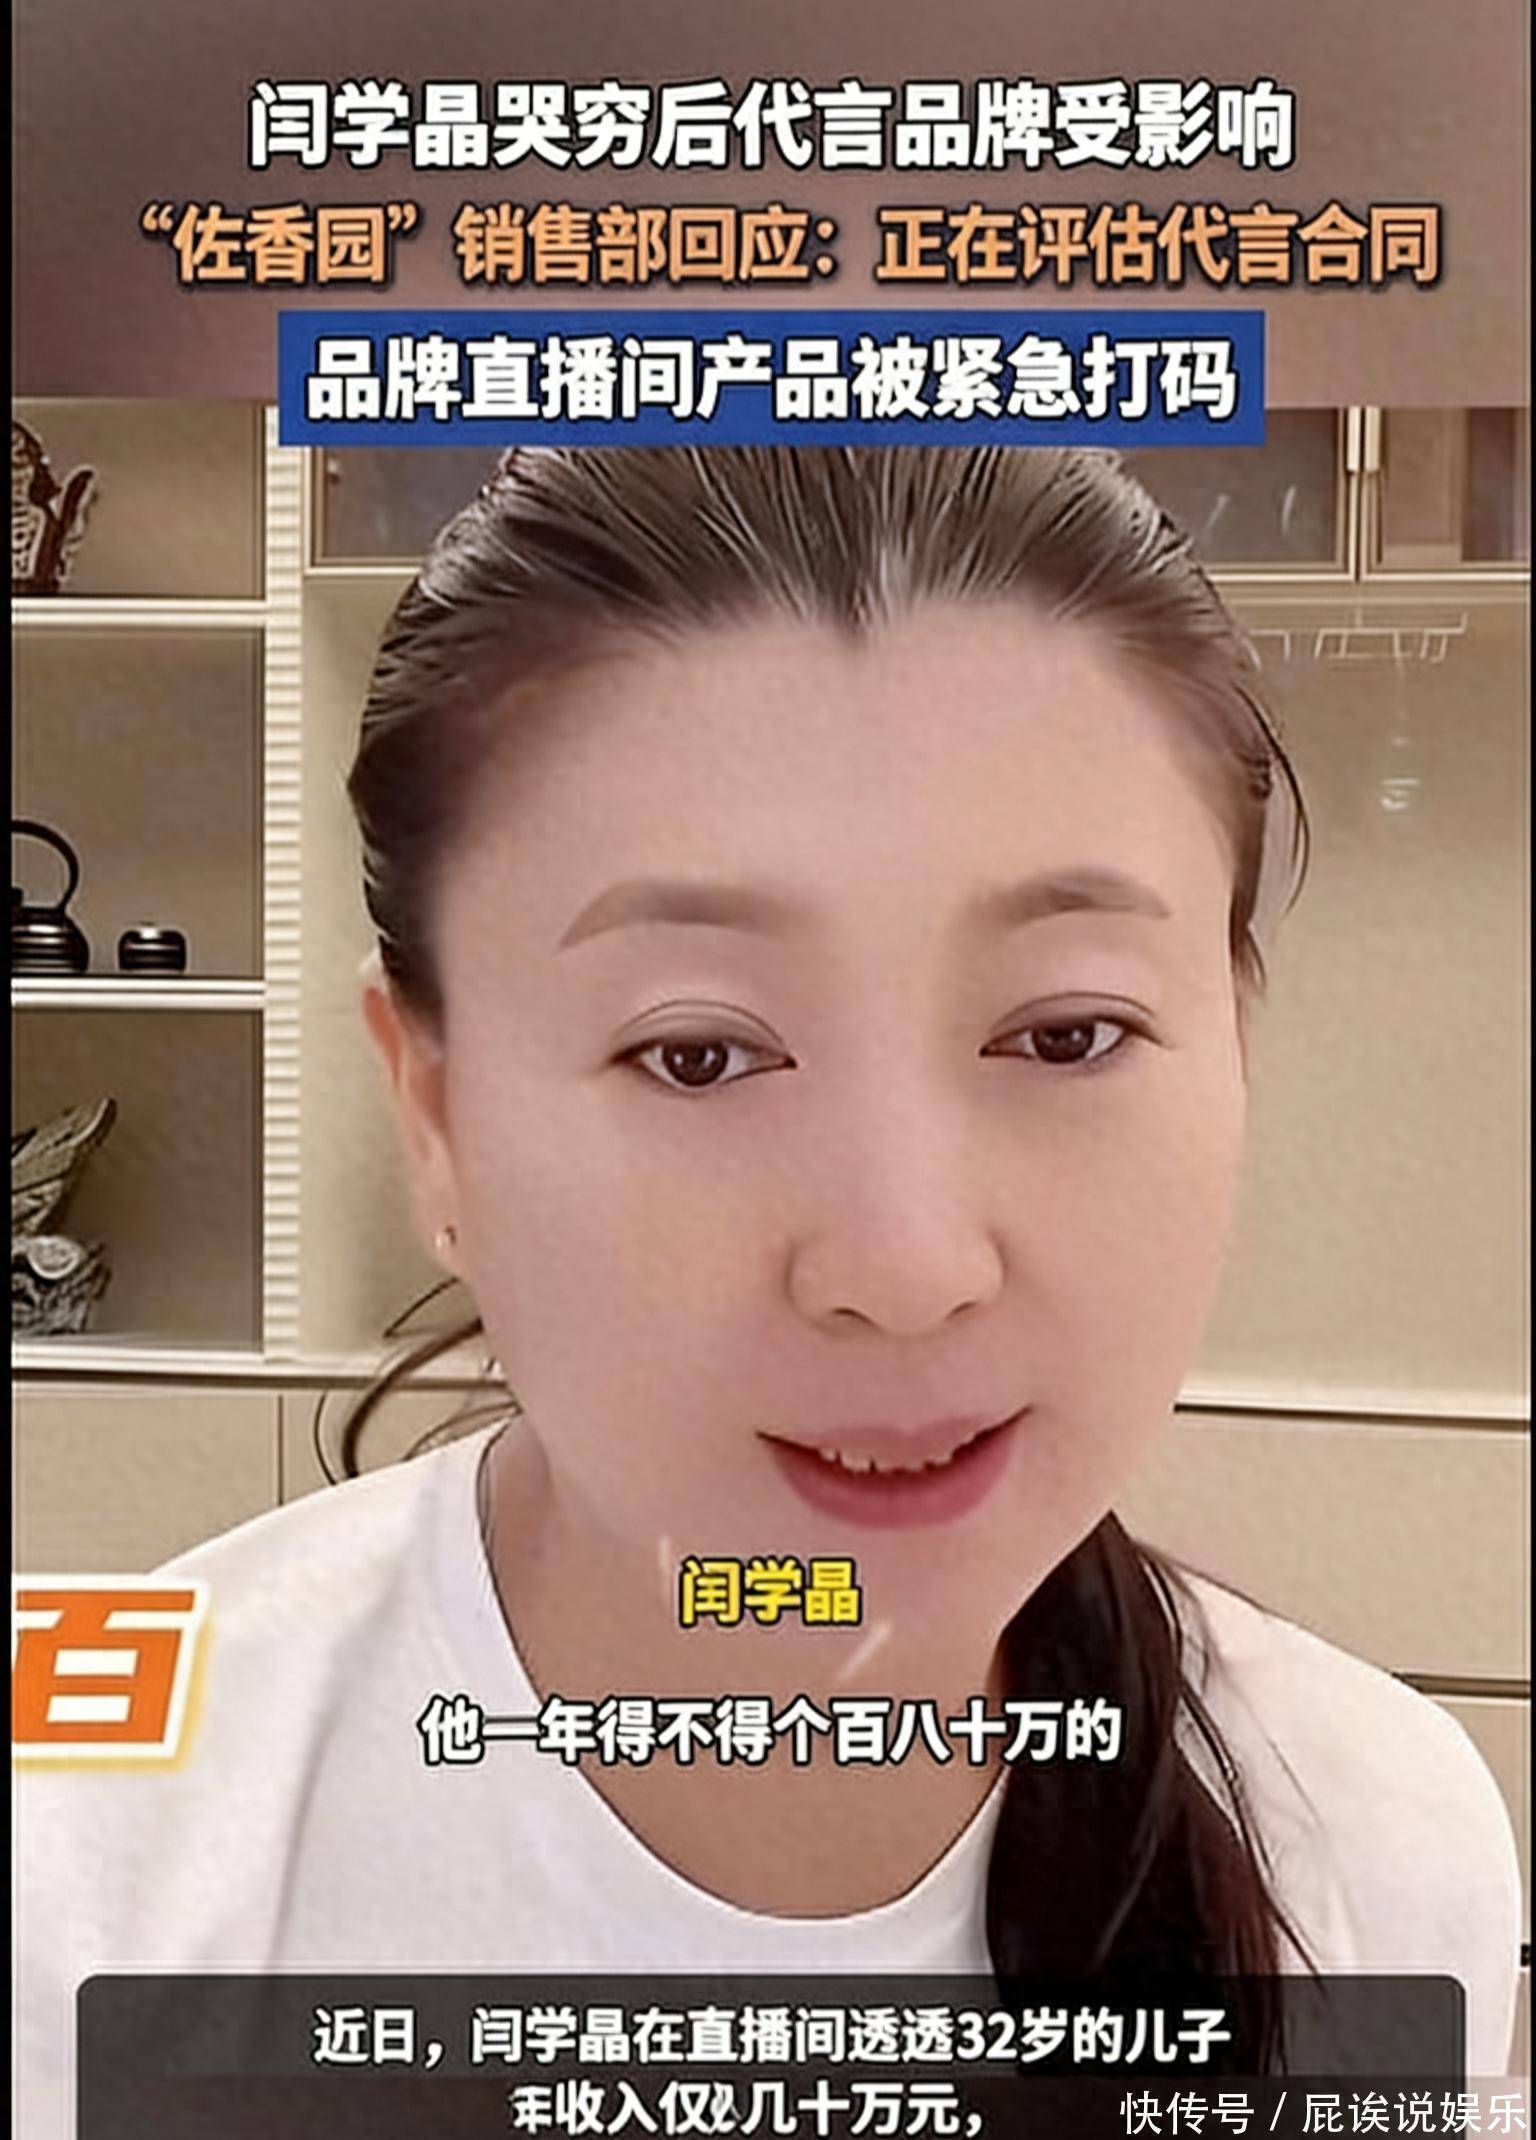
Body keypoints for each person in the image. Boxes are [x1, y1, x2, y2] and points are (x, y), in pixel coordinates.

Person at [16, 447, 1523, 2132]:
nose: (906, 1269)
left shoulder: (1363, 1840)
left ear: (1235, 1046)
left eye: (1065, 1033)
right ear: (434, 1111)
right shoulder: (91, 1848)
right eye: (698, 1053)